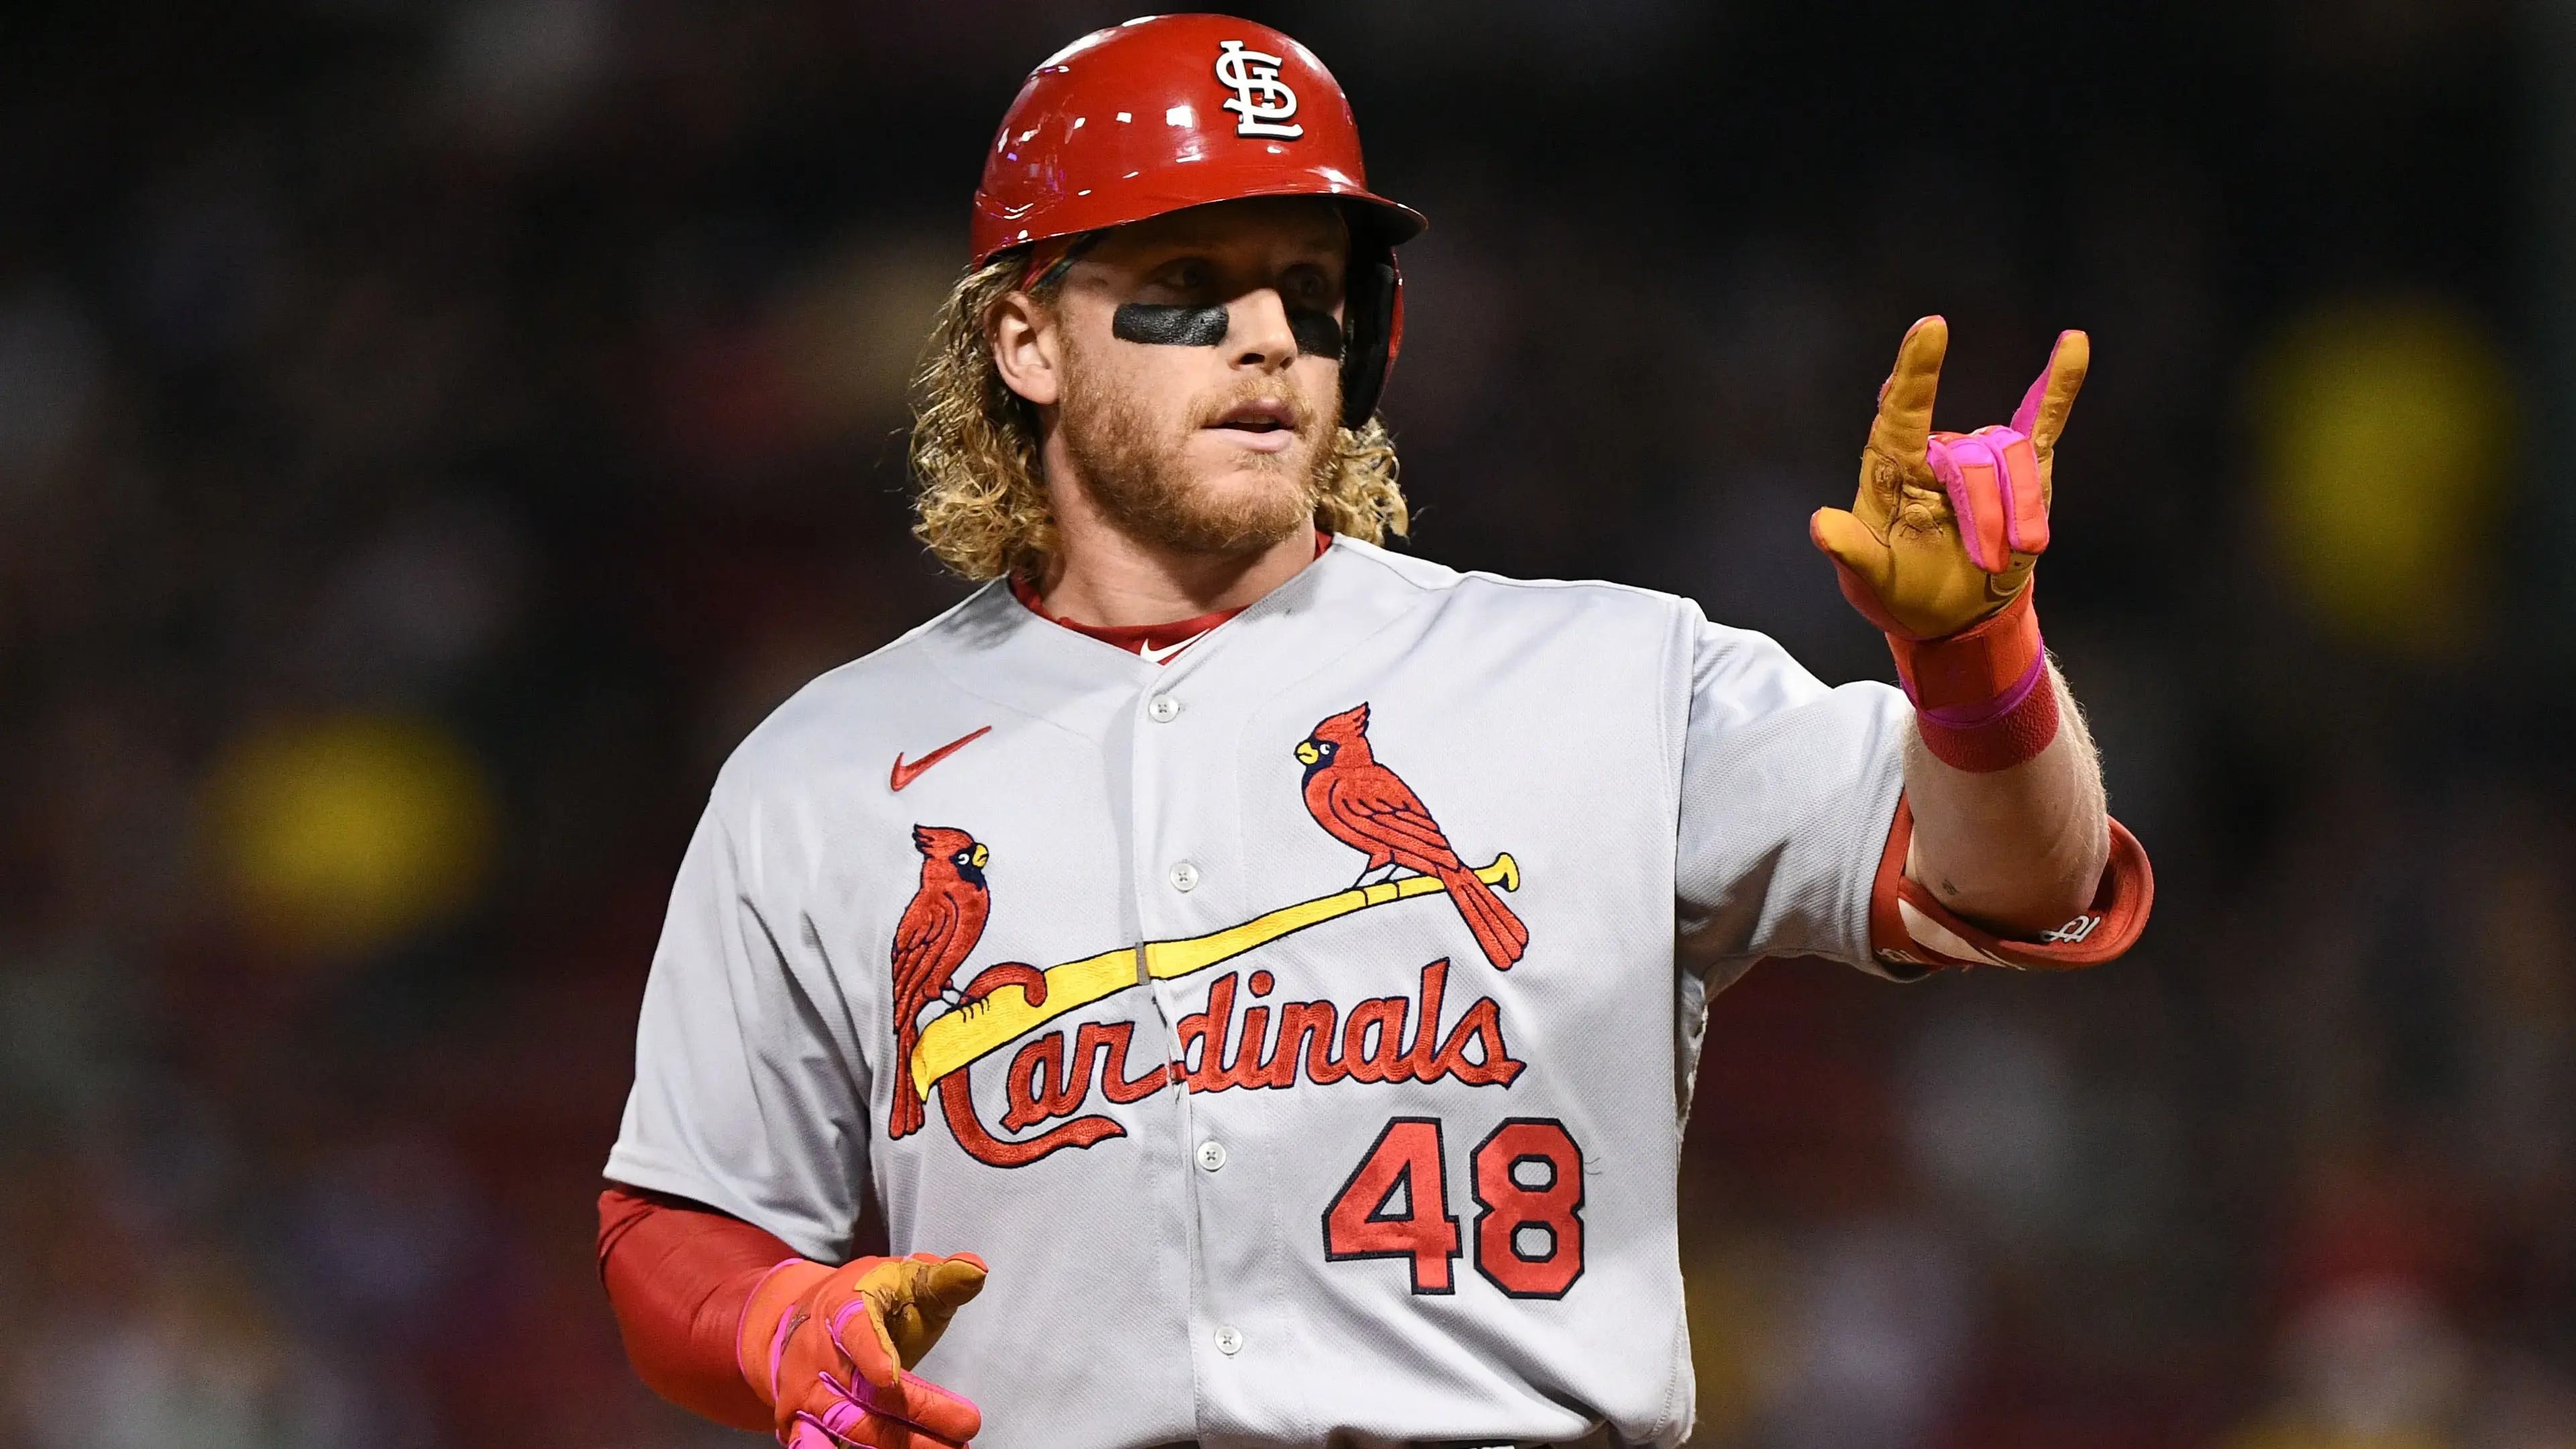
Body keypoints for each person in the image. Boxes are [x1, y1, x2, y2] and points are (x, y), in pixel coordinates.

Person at [594, 14, 2153, 1449]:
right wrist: (778, 1324)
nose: (1270, 337)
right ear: (1027, 342)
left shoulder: (1607, 674)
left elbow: (2021, 880)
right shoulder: (825, 768)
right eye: (1193, 289)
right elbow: (678, 1219)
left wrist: (1971, 656)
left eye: (1312, 297)